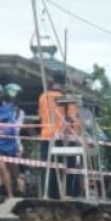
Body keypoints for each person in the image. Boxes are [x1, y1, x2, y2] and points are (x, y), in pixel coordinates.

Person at [37, 70, 80, 198]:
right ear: (64, 83)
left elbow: (40, 116)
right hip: (63, 138)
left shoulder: (43, 97)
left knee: (47, 169)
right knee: (67, 169)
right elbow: (72, 120)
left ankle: (49, 196)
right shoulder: (67, 99)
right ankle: (66, 195)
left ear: (53, 80)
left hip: (46, 136)